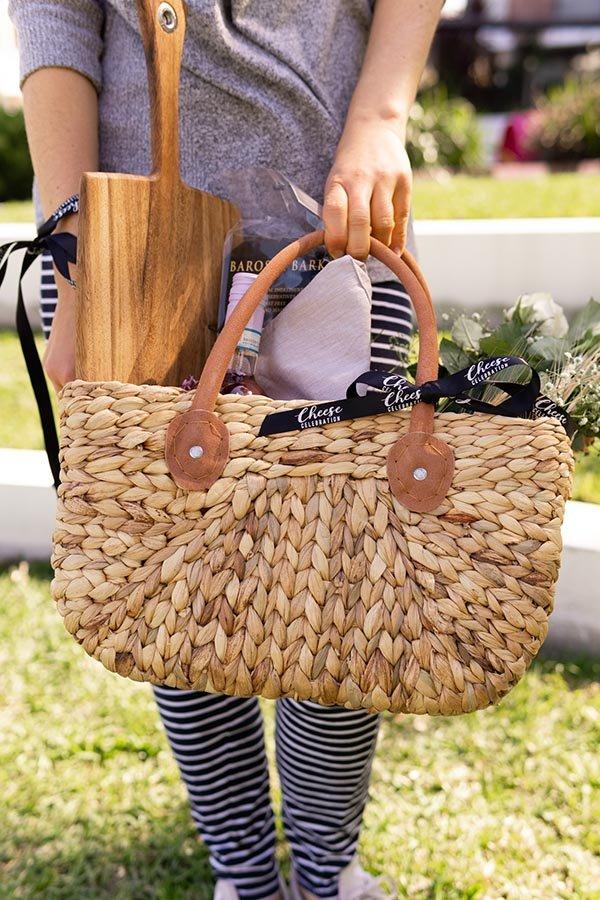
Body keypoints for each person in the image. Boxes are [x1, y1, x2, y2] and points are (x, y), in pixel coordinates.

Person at [9, 2, 442, 897]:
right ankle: (243, 877)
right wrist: (74, 255)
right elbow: (53, 14)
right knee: (182, 595)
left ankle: (326, 874)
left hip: (345, 221)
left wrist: (381, 115)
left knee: (344, 592)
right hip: (137, 247)